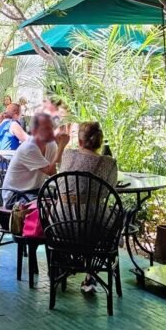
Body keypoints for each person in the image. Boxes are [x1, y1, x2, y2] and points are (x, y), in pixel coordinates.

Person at [60, 122, 118, 294]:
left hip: (59, 224)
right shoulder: (108, 164)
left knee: (84, 215)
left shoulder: (68, 155)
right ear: (100, 143)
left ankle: (65, 264)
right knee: (108, 217)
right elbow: (110, 191)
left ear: (79, 141)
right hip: (90, 228)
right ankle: (90, 273)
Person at [2, 113, 70, 205]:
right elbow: (50, 171)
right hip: (15, 196)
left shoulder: (51, 145)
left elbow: (55, 170)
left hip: (35, 191)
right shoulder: (29, 148)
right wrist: (61, 146)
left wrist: (59, 144)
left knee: (65, 199)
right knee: (46, 204)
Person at [61, 122, 118, 187]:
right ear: (100, 142)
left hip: (61, 197)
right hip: (95, 197)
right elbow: (112, 185)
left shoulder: (68, 154)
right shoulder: (109, 162)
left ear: (80, 142)